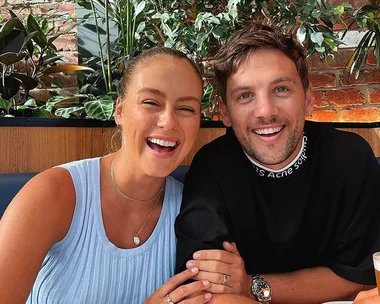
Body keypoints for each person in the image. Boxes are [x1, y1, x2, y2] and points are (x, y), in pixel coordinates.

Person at [175, 24, 380, 304]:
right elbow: (206, 293)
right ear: (225, 111)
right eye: (245, 95)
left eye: (281, 89)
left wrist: (251, 285)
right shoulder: (212, 168)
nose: (266, 111)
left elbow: (361, 277)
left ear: (308, 99)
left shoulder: (350, 157)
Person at [0, 47, 216, 304]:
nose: (168, 122)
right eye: (151, 102)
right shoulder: (53, 194)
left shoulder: (195, 209)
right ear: (120, 111)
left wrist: (239, 279)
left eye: (186, 108)